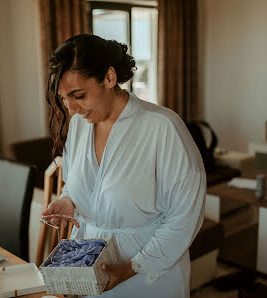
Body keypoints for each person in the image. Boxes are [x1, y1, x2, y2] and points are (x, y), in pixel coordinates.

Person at [42, 34, 206, 298]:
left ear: (109, 78)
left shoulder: (162, 127)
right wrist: (68, 200)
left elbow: (185, 216)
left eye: (79, 95)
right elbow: (76, 181)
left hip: (150, 276)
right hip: (92, 269)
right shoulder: (79, 126)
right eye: (63, 99)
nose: (71, 109)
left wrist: (131, 268)